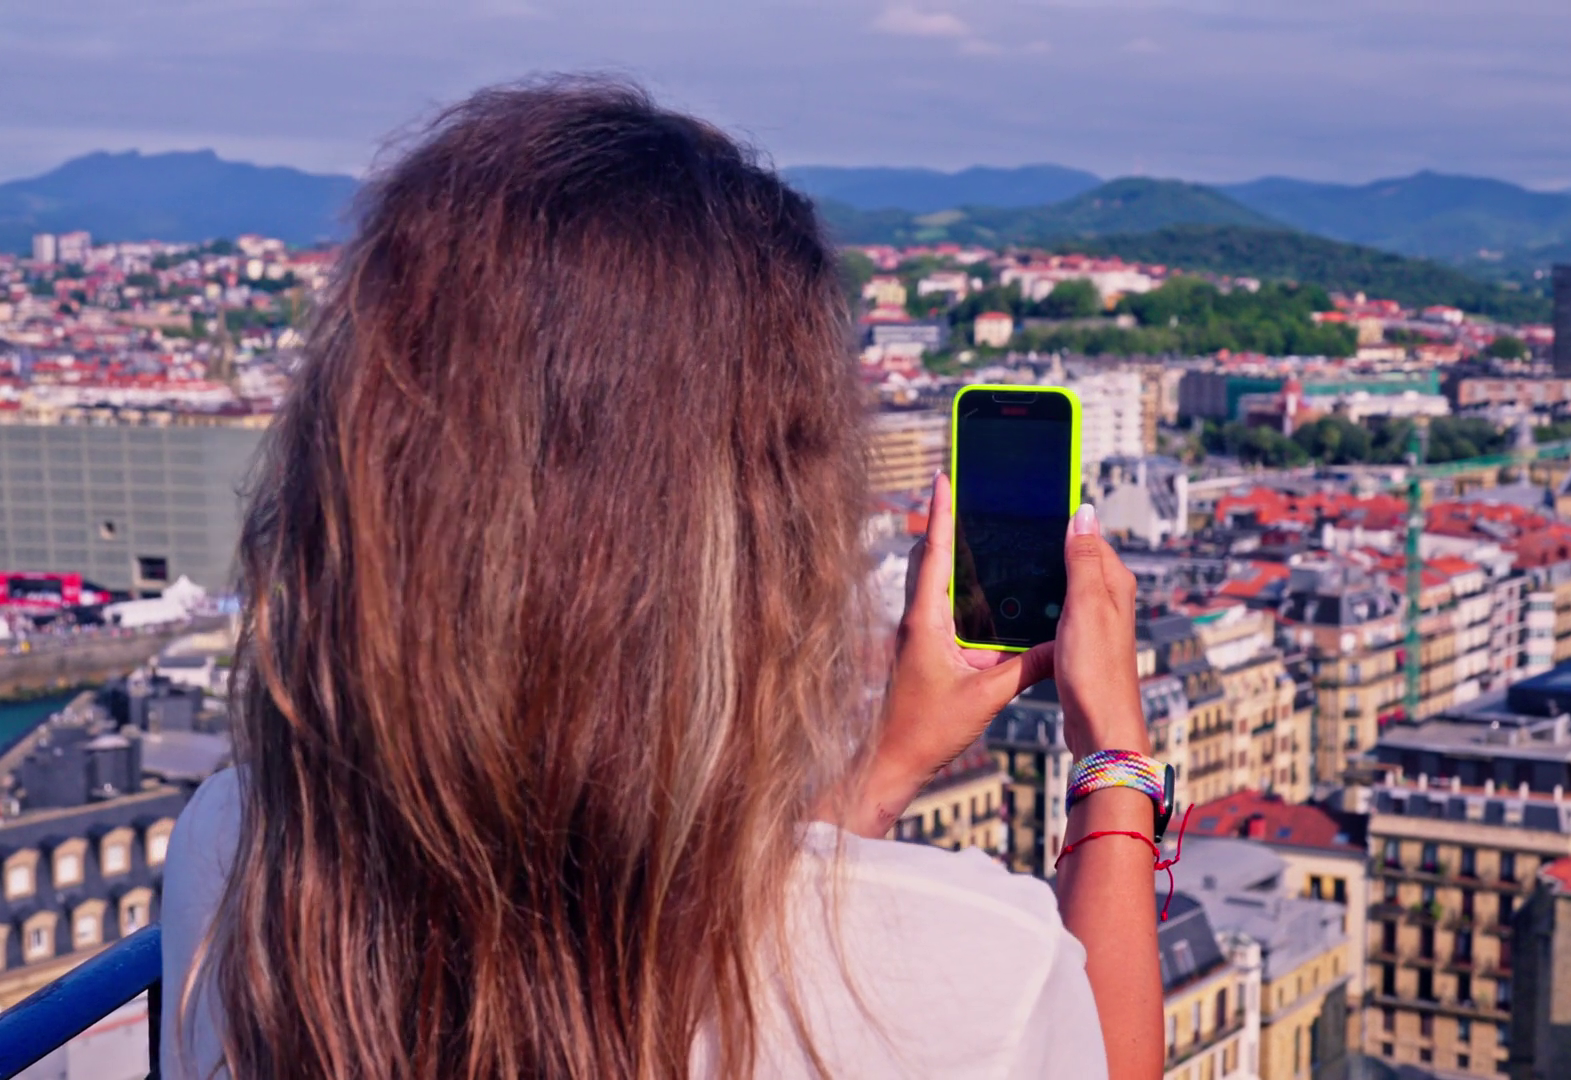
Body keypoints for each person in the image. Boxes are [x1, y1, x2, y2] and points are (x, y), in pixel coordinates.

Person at [160, 77, 1165, 1079]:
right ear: (771, 537)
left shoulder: (246, 857)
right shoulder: (976, 967)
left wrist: (886, 767)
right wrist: (1114, 758)